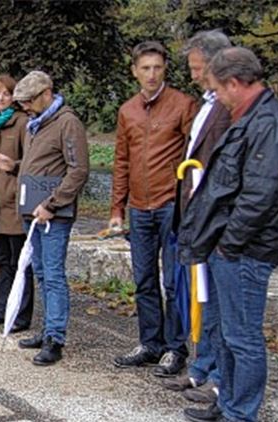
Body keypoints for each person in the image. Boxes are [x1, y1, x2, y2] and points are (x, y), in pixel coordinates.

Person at [180, 47, 278, 422]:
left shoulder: (269, 124)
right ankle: (226, 402)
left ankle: (240, 415)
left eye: (219, 90)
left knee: (242, 336)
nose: (218, 98)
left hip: (245, 250)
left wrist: (229, 243)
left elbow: (259, 197)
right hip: (230, 247)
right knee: (228, 333)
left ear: (235, 83)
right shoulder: (250, 118)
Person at [0, 71, 89, 366]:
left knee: (54, 275)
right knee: (42, 273)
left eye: (29, 101)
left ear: (47, 93)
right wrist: (14, 166)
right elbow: (41, 166)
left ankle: (56, 338)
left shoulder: (67, 122)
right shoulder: (36, 124)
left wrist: (53, 204)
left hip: (53, 214)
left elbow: (78, 171)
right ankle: (47, 330)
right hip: (33, 210)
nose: (25, 108)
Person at [109, 41, 198, 377]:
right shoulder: (127, 110)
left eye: (157, 68)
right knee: (144, 279)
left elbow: (195, 156)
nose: (151, 74)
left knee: (174, 281)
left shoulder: (182, 104)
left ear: (165, 70)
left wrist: (188, 204)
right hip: (139, 207)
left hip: (170, 205)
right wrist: (117, 207)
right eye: (145, 68)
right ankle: (151, 343)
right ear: (134, 71)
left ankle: (176, 348)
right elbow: (121, 161)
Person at [160, 30, 233, 404]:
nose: (192, 75)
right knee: (197, 298)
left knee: (213, 302)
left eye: (196, 67)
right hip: (193, 214)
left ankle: (216, 374)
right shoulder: (208, 103)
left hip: (211, 218)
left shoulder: (227, 106)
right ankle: (201, 367)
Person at [0, 74, 32, 333]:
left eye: (6, 93)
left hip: (15, 203)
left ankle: (21, 316)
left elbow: (32, 162)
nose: (1, 97)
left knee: (19, 263)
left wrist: (12, 167)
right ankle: (2, 310)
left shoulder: (23, 123)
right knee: (2, 261)